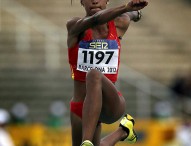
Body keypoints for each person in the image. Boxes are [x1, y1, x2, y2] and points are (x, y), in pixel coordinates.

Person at [67, 0, 148, 145]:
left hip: (110, 104)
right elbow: (96, 19)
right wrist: (126, 7)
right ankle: (123, 131)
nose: (95, 1)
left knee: (94, 74)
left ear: (107, 0)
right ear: (81, 1)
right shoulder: (74, 26)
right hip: (81, 107)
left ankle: (86, 142)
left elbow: (131, 14)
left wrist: (137, 13)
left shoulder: (119, 23)